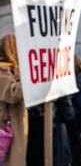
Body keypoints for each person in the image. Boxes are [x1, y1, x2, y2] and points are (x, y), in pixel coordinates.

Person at [0, 34, 28, 166]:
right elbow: (13, 93)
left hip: (14, 125)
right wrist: (29, 75)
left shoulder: (12, 69)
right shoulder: (2, 70)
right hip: (8, 128)